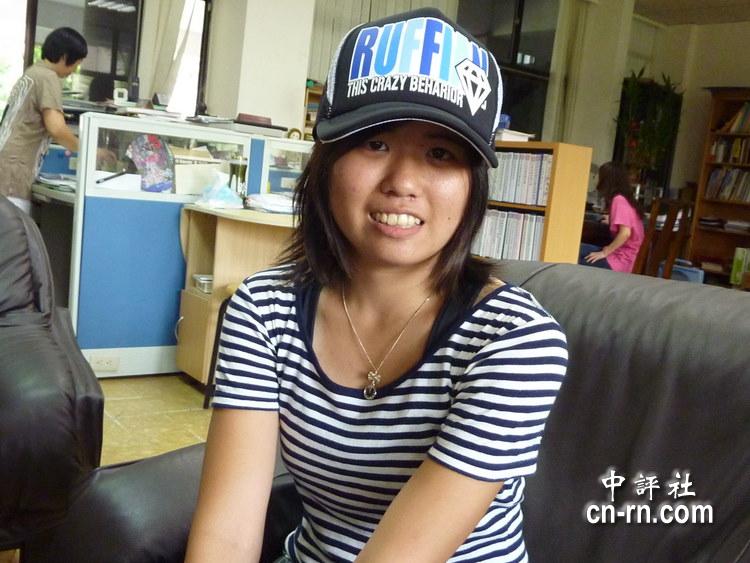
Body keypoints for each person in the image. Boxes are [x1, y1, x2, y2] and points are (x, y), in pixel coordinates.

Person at [186, 8, 567, 563]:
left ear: (472, 185)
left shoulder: (515, 342)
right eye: (376, 144)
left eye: (440, 153)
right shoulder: (263, 311)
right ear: (327, 162)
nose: (403, 183)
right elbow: (226, 533)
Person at [0, 27, 87, 213]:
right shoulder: (48, 77)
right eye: (76, 64)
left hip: (6, 162)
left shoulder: (33, 72)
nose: (74, 70)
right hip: (15, 169)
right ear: (64, 57)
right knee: (13, 227)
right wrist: (88, 150)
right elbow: (57, 129)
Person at [579, 161, 645, 273]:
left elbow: (625, 233)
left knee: (571, 253)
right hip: (624, 258)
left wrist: (605, 252)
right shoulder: (626, 199)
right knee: (578, 248)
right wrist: (611, 220)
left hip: (618, 261)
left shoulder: (618, 200)